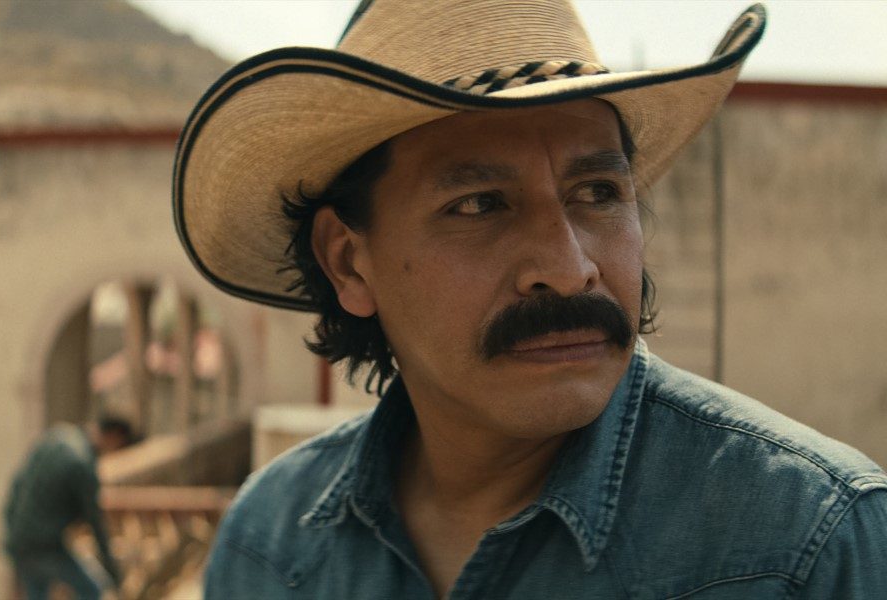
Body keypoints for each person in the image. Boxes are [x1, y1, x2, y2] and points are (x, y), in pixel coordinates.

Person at [171, 0, 887, 598]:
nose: (570, 270)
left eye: (598, 193)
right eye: (480, 204)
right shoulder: (269, 547)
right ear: (348, 262)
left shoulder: (808, 546)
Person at [3, 418, 133, 600]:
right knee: (92, 591)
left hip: (19, 537)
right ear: (114, 437)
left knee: (37, 592)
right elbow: (94, 520)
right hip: (43, 543)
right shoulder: (82, 463)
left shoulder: (57, 435)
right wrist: (112, 571)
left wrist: (10, 527)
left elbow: (17, 483)